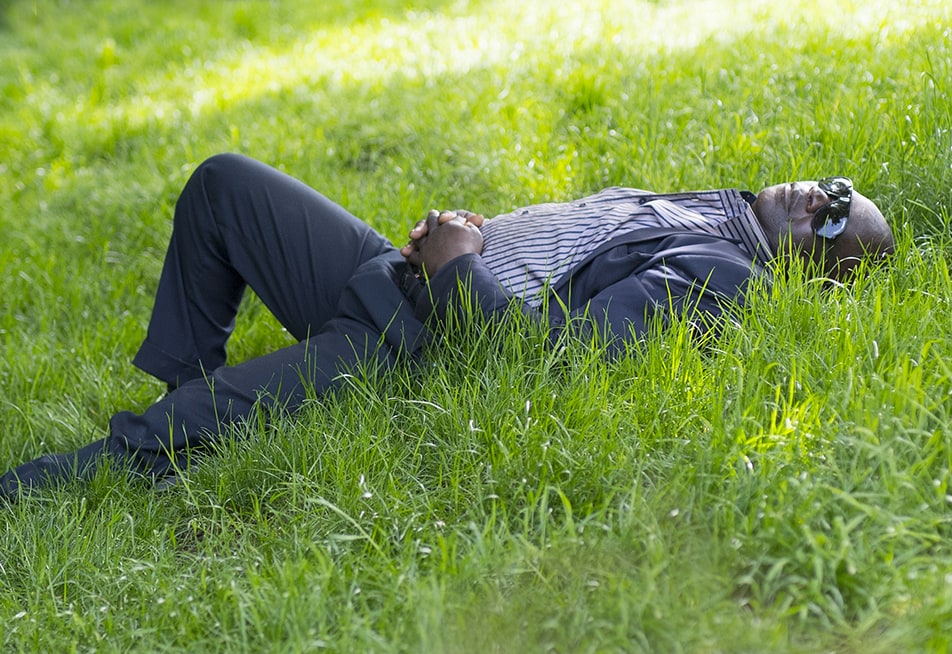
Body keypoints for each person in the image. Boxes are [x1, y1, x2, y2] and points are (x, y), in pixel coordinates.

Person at [0, 153, 894, 501]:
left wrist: (458, 263)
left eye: (831, 224)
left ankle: (65, 479)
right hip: (389, 278)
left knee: (161, 431)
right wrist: (469, 236)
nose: (819, 199)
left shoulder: (724, 275)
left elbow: (547, 365)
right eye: (837, 191)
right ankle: (193, 404)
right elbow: (557, 254)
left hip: (412, 347)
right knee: (224, 186)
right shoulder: (707, 208)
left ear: (813, 273)